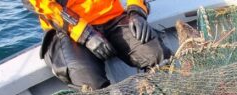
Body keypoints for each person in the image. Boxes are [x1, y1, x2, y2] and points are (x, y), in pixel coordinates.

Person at [26, 0, 170, 89]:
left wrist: (136, 10)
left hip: (112, 17)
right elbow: (44, 5)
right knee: (89, 84)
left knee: (159, 56)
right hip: (68, 31)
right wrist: (85, 34)